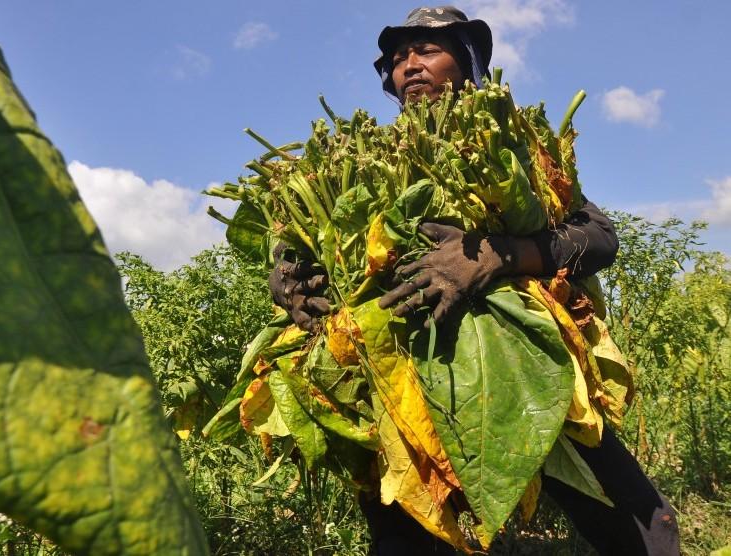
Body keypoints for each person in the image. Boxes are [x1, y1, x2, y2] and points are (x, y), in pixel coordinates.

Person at [269, 6, 680, 555]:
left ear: (467, 64)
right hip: (401, 366)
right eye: (398, 58)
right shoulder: (368, 156)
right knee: (409, 532)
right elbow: (309, 245)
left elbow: (599, 237)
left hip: (520, 353)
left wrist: (496, 255)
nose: (410, 65)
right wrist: (289, 277)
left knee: (637, 522)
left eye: (428, 51)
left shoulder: (510, 142)